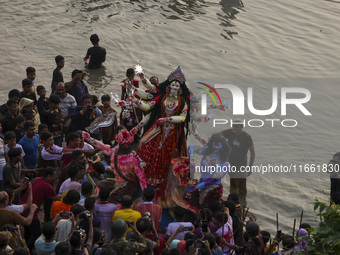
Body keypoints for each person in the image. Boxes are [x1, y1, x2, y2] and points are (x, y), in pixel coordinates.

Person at [131, 66, 190, 186]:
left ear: (180, 89)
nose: (174, 87)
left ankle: (161, 179)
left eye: (177, 86)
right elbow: (147, 106)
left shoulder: (183, 103)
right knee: (143, 142)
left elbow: (182, 118)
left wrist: (167, 119)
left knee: (164, 154)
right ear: (168, 86)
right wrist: (135, 100)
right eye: (173, 85)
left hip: (172, 131)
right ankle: (145, 172)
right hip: (158, 127)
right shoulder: (162, 97)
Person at [82, 129, 147, 203]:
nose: (124, 146)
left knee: (112, 196)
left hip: (129, 185)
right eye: (122, 144)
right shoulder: (114, 151)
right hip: (117, 182)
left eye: (126, 144)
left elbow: (142, 178)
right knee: (101, 184)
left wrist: (145, 197)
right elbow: (102, 147)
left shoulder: (134, 158)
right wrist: (89, 138)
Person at [18, 166, 59, 249]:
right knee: (37, 234)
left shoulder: (36, 179)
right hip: (31, 212)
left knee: (28, 232)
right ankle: (27, 249)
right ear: (48, 176)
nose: (54, 178)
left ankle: (26, 247)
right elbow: (55, 198)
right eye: (53, 176)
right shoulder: (48, 186)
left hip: (22, 208)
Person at [219, 121, 255, 206]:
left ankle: (242, 203)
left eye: (236, 126)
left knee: (242, 186)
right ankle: (232, 203)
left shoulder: (246, 137)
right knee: (233, 183)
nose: (234, 128)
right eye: (233, 126)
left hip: (242, 164)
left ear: (241, 127)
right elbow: (217, 134)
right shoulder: (230, 132)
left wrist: (250, 167)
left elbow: (252, 152)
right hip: (231, 163)